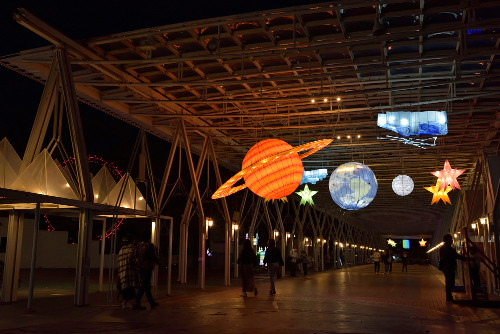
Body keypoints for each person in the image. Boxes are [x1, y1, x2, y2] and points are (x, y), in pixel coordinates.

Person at [439, 234, 467, 303]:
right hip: (449, 267)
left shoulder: (443, 247)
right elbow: (455, 255)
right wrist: (465, 258)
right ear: (447, 240)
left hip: (446, 267)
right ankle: (449, 298)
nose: (452, 240)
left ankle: (449, 298)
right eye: (450, 239)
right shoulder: (448, 248)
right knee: (450, 283)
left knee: (449, 282)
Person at [134, 236, 159, 310]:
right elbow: (153, 256)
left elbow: (136, 256)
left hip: (141, 267)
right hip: (147, 267)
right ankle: (137, 300)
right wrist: (157, 262)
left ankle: (151, 302)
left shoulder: (139, 246)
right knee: (145, 285)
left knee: (146, 285)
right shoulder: (150, 246)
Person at [117, 234, 138, 309]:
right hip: (130, 274)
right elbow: (133, 260)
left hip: (122, 275)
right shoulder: (132, 249)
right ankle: (131, 304)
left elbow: (119, 263)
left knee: (126, 291)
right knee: (131, 290)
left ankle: (125, 303)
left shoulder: (121, 250)